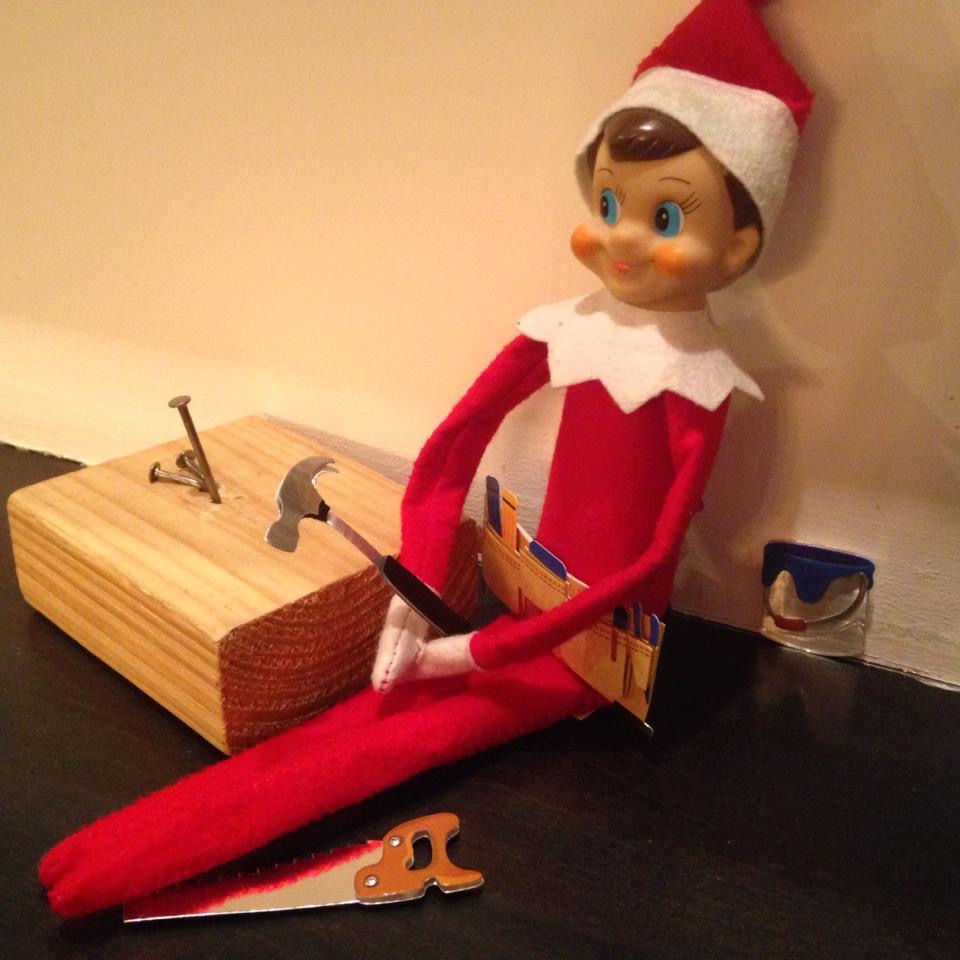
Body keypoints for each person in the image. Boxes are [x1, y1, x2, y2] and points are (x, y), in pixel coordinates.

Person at [40, 0, 813, 918]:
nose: (619, 238)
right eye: (606, 205)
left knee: (390, 743)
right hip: (522, 608)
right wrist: (412, 599)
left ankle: (129, 862)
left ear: (739, 246)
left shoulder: (700, 383)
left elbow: (644, 563)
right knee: (369, 727)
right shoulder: (573, 328)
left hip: (590, 660)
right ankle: (119, 854)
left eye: (664, 215)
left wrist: (477, 651)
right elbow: (452, 446)